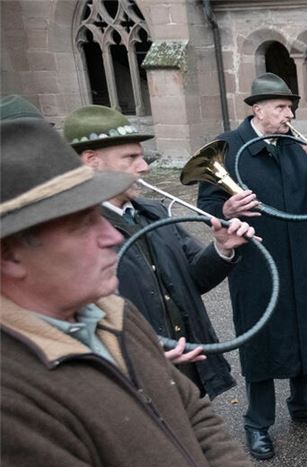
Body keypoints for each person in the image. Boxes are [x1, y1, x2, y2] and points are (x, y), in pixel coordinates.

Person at [0, 117, 263, 467]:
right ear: (11, 256)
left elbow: (196, 418)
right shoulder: (13, 402)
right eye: (82, 224)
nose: (109, 237)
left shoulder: (113, 313)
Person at [63, 104, 255, 399]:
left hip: (186, 369)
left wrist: (221, 249)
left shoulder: (155, 212)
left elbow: (195, 278)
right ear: (92, 160)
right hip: (128, 384)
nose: (144, 167)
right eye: (130, 158)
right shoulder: (67, 232)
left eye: (141, 156)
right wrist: (135, 363)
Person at [198, 73, 307, 460]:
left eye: (290, 106)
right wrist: (225, 210)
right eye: (280, 106)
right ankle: (257, 422)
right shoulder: (228, 147)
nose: (288, 112)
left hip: (305, 254)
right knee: (262, 339)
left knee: (306, 329)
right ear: (256, 109)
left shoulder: (297, 144)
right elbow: (206, 208)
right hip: (259, 261)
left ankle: (304, 404)